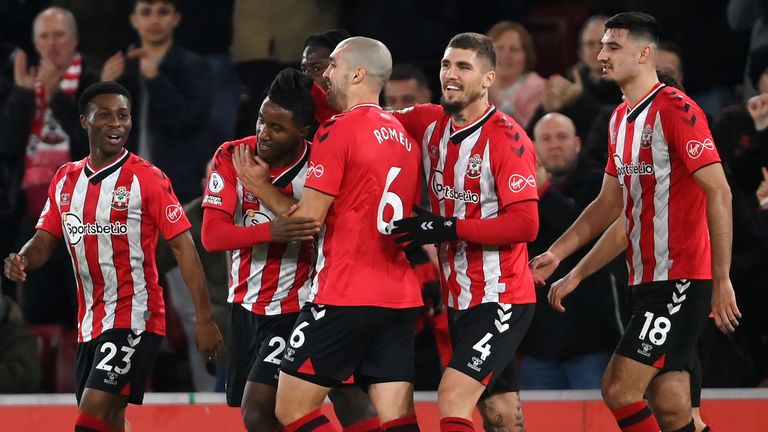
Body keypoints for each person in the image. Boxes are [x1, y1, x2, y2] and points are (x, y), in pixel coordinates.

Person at [529, 12, 740, 432]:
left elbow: (720, 191)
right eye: (601, 45)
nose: (601, 54)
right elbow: (613, 207)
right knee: (672, 404)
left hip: (680, 279)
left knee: (619, 388)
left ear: (644, 53)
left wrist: (721, 279)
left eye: (613, 46)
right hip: (643, 281)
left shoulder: (677, 109)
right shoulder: (618, 119)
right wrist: (566, 261)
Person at [3, 81, 223, 432]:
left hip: (136, 316)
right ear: (85, 121)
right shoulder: (64, 179)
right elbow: (44, 238)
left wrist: (204, 318)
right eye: (104, 115)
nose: (116, 123)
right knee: (111, 423)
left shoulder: (147, 179)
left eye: (123, 115)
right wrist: (24, 258)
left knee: (90, 420)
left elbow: (184, 246)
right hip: (90, 323)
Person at [249, 37, 423, 432]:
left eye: (335, 66)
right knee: (397, 417)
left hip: (345, 293)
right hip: (398, 296)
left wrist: (261, 188)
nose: (326, 74)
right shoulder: (404, 137)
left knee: (289, 407)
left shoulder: (337, 131)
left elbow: (308, 220)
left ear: (358, 74)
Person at [201, 67, 379, 432]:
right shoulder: (233, 155)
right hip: (245, 307)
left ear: (303, 132)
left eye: (276, 128)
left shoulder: (320, 164)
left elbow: (320, 231)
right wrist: (274, 231)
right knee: (273, 412)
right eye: (261, 121)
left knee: (260, 409)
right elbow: (212, 236)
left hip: (298, 306)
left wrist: (271, 205)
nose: (263, 134)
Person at [391, 32, 539, 432]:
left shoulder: (507, 140)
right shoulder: (427, 121)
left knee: (453, 394)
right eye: (445, 65)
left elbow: (526, 224)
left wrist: (448, 227)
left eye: (463, 67)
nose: (450, 75)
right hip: (459, 296)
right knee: (501, 416)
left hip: (501, 294)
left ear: (488, 79)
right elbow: (373, 126)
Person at [0, 6, 99, 327]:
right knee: (37, 314)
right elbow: (7, 146)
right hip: (32, 214)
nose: (52, 44)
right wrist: (22, 95)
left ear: (75, 39)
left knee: (86, 311)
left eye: (59, 35)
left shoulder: (95, 81)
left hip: (86, 215)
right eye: (44, 37)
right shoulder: (21, 82)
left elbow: (96, 146)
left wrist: (57, 96)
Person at [520, 112, 623, 390]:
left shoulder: (601, 184)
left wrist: (543, 190)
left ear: (577, 143)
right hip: (537, 343)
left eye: (562, 137)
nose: (555, 145)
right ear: (533, 147)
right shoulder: (516, 191)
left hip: (591, 340)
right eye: (547, 139)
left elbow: (587, 233)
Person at [101, 0, 213, 203]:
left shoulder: (195, 67)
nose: (155, 19)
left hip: (178, 187)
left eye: (163, 12)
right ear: (134, 20)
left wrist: (155, 79)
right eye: (146, 12)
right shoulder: (122, 70)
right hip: (125, 187)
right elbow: (99, 133)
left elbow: (185, 122)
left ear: (176, 18)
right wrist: (104, 88)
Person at [486, 21, 544, 130]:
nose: (506, 55)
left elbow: (528, 132)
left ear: (526, 56)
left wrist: (497, 101)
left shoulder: (537, 88)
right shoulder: (477, 81)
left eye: (514, 49)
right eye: (499, 48)